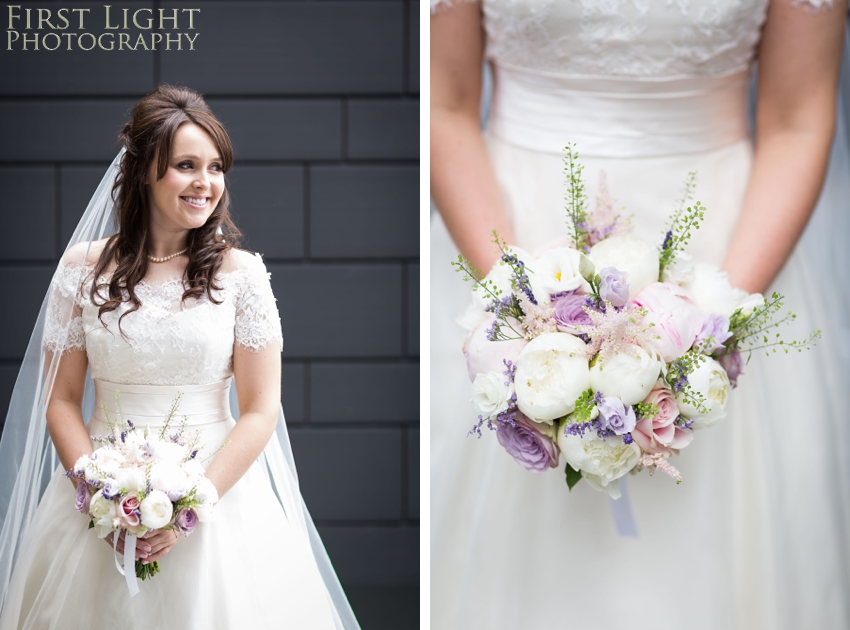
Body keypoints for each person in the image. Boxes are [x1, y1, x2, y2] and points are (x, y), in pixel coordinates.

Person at [431, 2, 850, 629]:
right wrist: (520, 308)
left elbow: (797, 118)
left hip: (729, 246)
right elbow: (445, 103)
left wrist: (712, 322)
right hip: (508, 235)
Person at [0, 85, 360, 629]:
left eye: (216, 167)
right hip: (98, 488)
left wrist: (193, 505)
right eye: (186, 165)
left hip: (217, 493)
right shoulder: (81, 269)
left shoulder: (241, 275)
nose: (206, 183)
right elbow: (62, 400)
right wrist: (100, 494)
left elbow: (262, 408)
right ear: (145, 170)